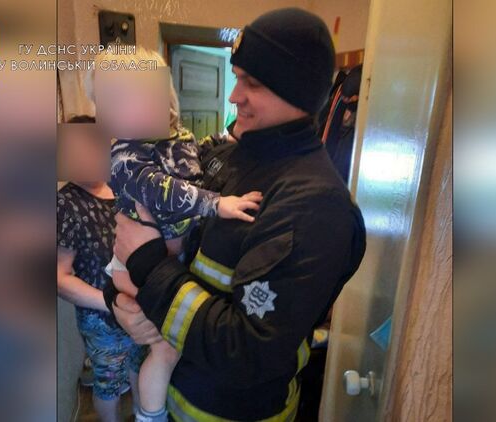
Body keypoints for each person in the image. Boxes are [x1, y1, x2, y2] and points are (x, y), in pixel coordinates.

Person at [106, 8, 367, 421]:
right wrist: (120, 302)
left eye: (253, 83)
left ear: (297, 91)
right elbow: (152, 241)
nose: (233, 96)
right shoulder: (222, 157)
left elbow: (246, 351)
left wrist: (147, 265)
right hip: (171, 397)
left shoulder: (315, 204)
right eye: (237, 77)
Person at [99, 48, 264, 422]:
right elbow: (158, 188)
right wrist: (215, 204)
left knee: (158, 346)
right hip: (133, 265)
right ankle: (150, 414)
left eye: (155, 94)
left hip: (167, 259)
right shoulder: (125, 152)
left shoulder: (174, 135)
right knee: (163, 349)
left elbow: (196, 155)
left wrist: (226, 136)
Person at [57, 116, 146, 422]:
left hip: (139, 304)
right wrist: (109, 303)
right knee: (108, 381)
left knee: (139, 365)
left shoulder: (123, 188)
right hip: (101, 319)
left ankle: (142, 415)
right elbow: (59, 277)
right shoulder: (65, 203)